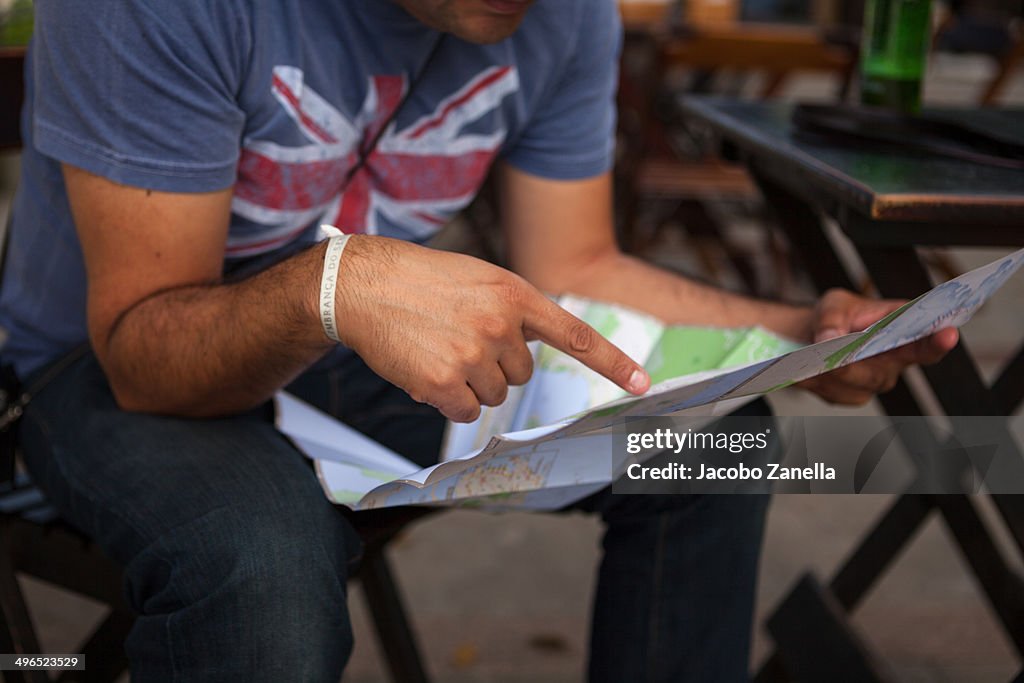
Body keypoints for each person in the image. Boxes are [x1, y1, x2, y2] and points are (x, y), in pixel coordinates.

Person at [0, 0, 957, 680]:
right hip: (105, 370)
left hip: (335, 365)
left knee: (709, 440)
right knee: (263, 565)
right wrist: (338, 283)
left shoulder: (562, 18)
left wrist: (801, 331)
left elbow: (577, 267)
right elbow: (140, 349)